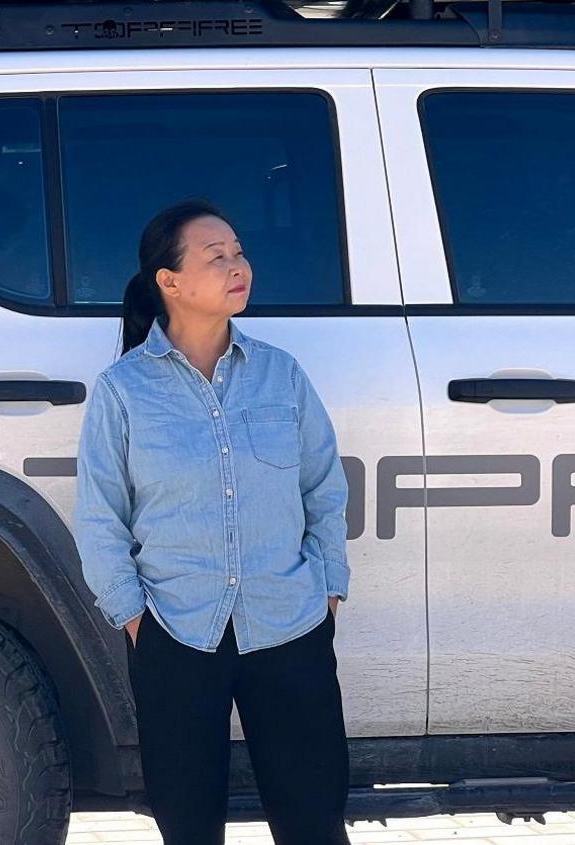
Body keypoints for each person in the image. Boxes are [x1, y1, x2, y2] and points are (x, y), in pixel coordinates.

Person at [72, 199, 352, 844]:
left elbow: (323, 488)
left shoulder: (281, 374)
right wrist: (134, 617)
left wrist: (328, 588)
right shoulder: (122, 391)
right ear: (169, 283)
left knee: (314, 820)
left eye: (239, 251)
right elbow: (101, 516)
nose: (238, 266)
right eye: (216, 256)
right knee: (189, 825)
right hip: (174, 629)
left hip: (290, 622)